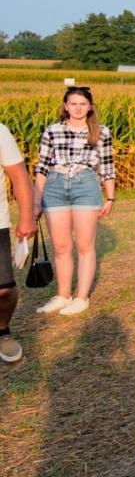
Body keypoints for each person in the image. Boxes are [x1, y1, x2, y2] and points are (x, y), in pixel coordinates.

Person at [31, 86, 115, 317]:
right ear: (65, 106)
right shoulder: (52, 131)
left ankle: (81, 298)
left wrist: (110, 197)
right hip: (55, 187)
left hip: (85, 185)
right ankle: (62, 295)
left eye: (83, 103)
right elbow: (42, 167)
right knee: (61, 246)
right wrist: (37, 202)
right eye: (73, 103)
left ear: (90, 107)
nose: (78, 108)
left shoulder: (101, 132)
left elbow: (107, 167)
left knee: (84, 246)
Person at [0, 123, 38, 363]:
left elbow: (19, 176)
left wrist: (26, 218)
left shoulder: (0, 132)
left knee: (3, 291)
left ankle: (2, 331)